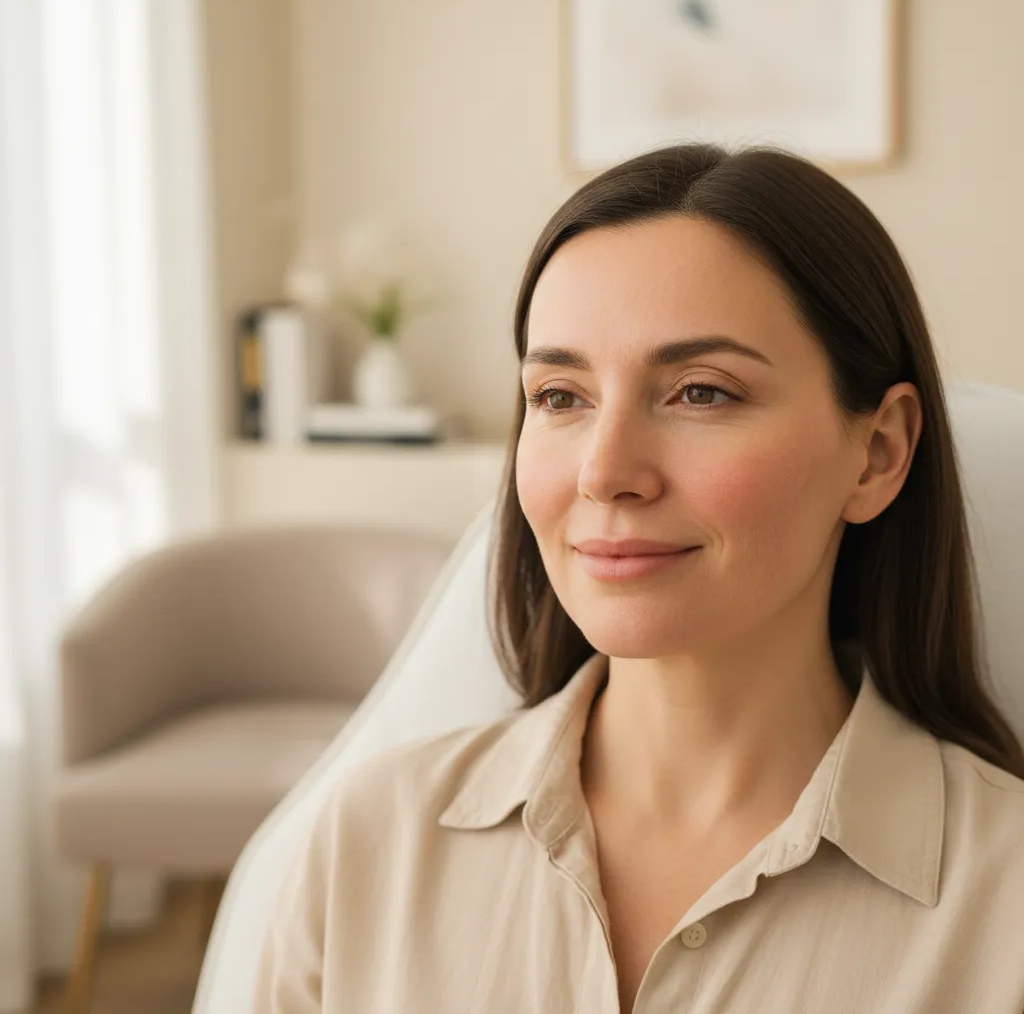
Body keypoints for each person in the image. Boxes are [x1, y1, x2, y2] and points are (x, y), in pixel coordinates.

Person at [252, 143, 1024, 1014]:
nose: (605, 471)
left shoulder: (1006, 904)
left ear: (878, 453)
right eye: (559, 397)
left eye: (701, 392)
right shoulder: (371, 840)